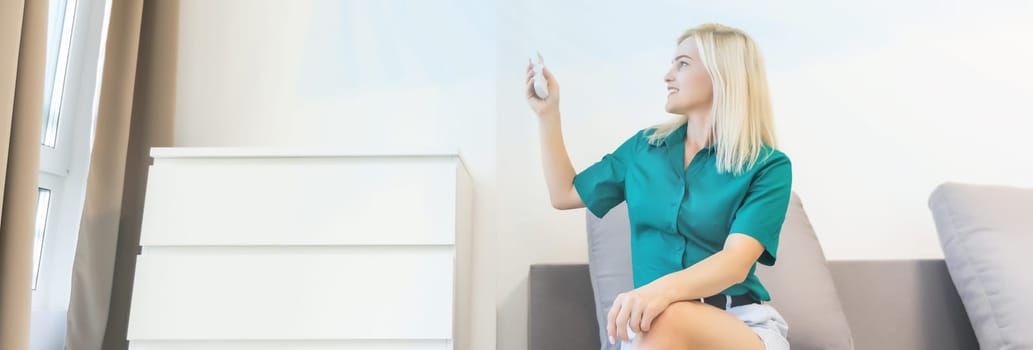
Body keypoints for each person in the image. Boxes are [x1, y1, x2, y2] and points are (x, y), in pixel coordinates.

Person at [525, 23, 792, 350]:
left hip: (735, 325)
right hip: (654, 326)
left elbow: (735, 261)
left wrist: (656, 292)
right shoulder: (644, 149)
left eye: (682, 64)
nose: (668, 75)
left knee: (665, 317)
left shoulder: (768, 166)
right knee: (660, 322)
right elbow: (564, 193)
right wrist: (548, 114)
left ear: (722, 74)